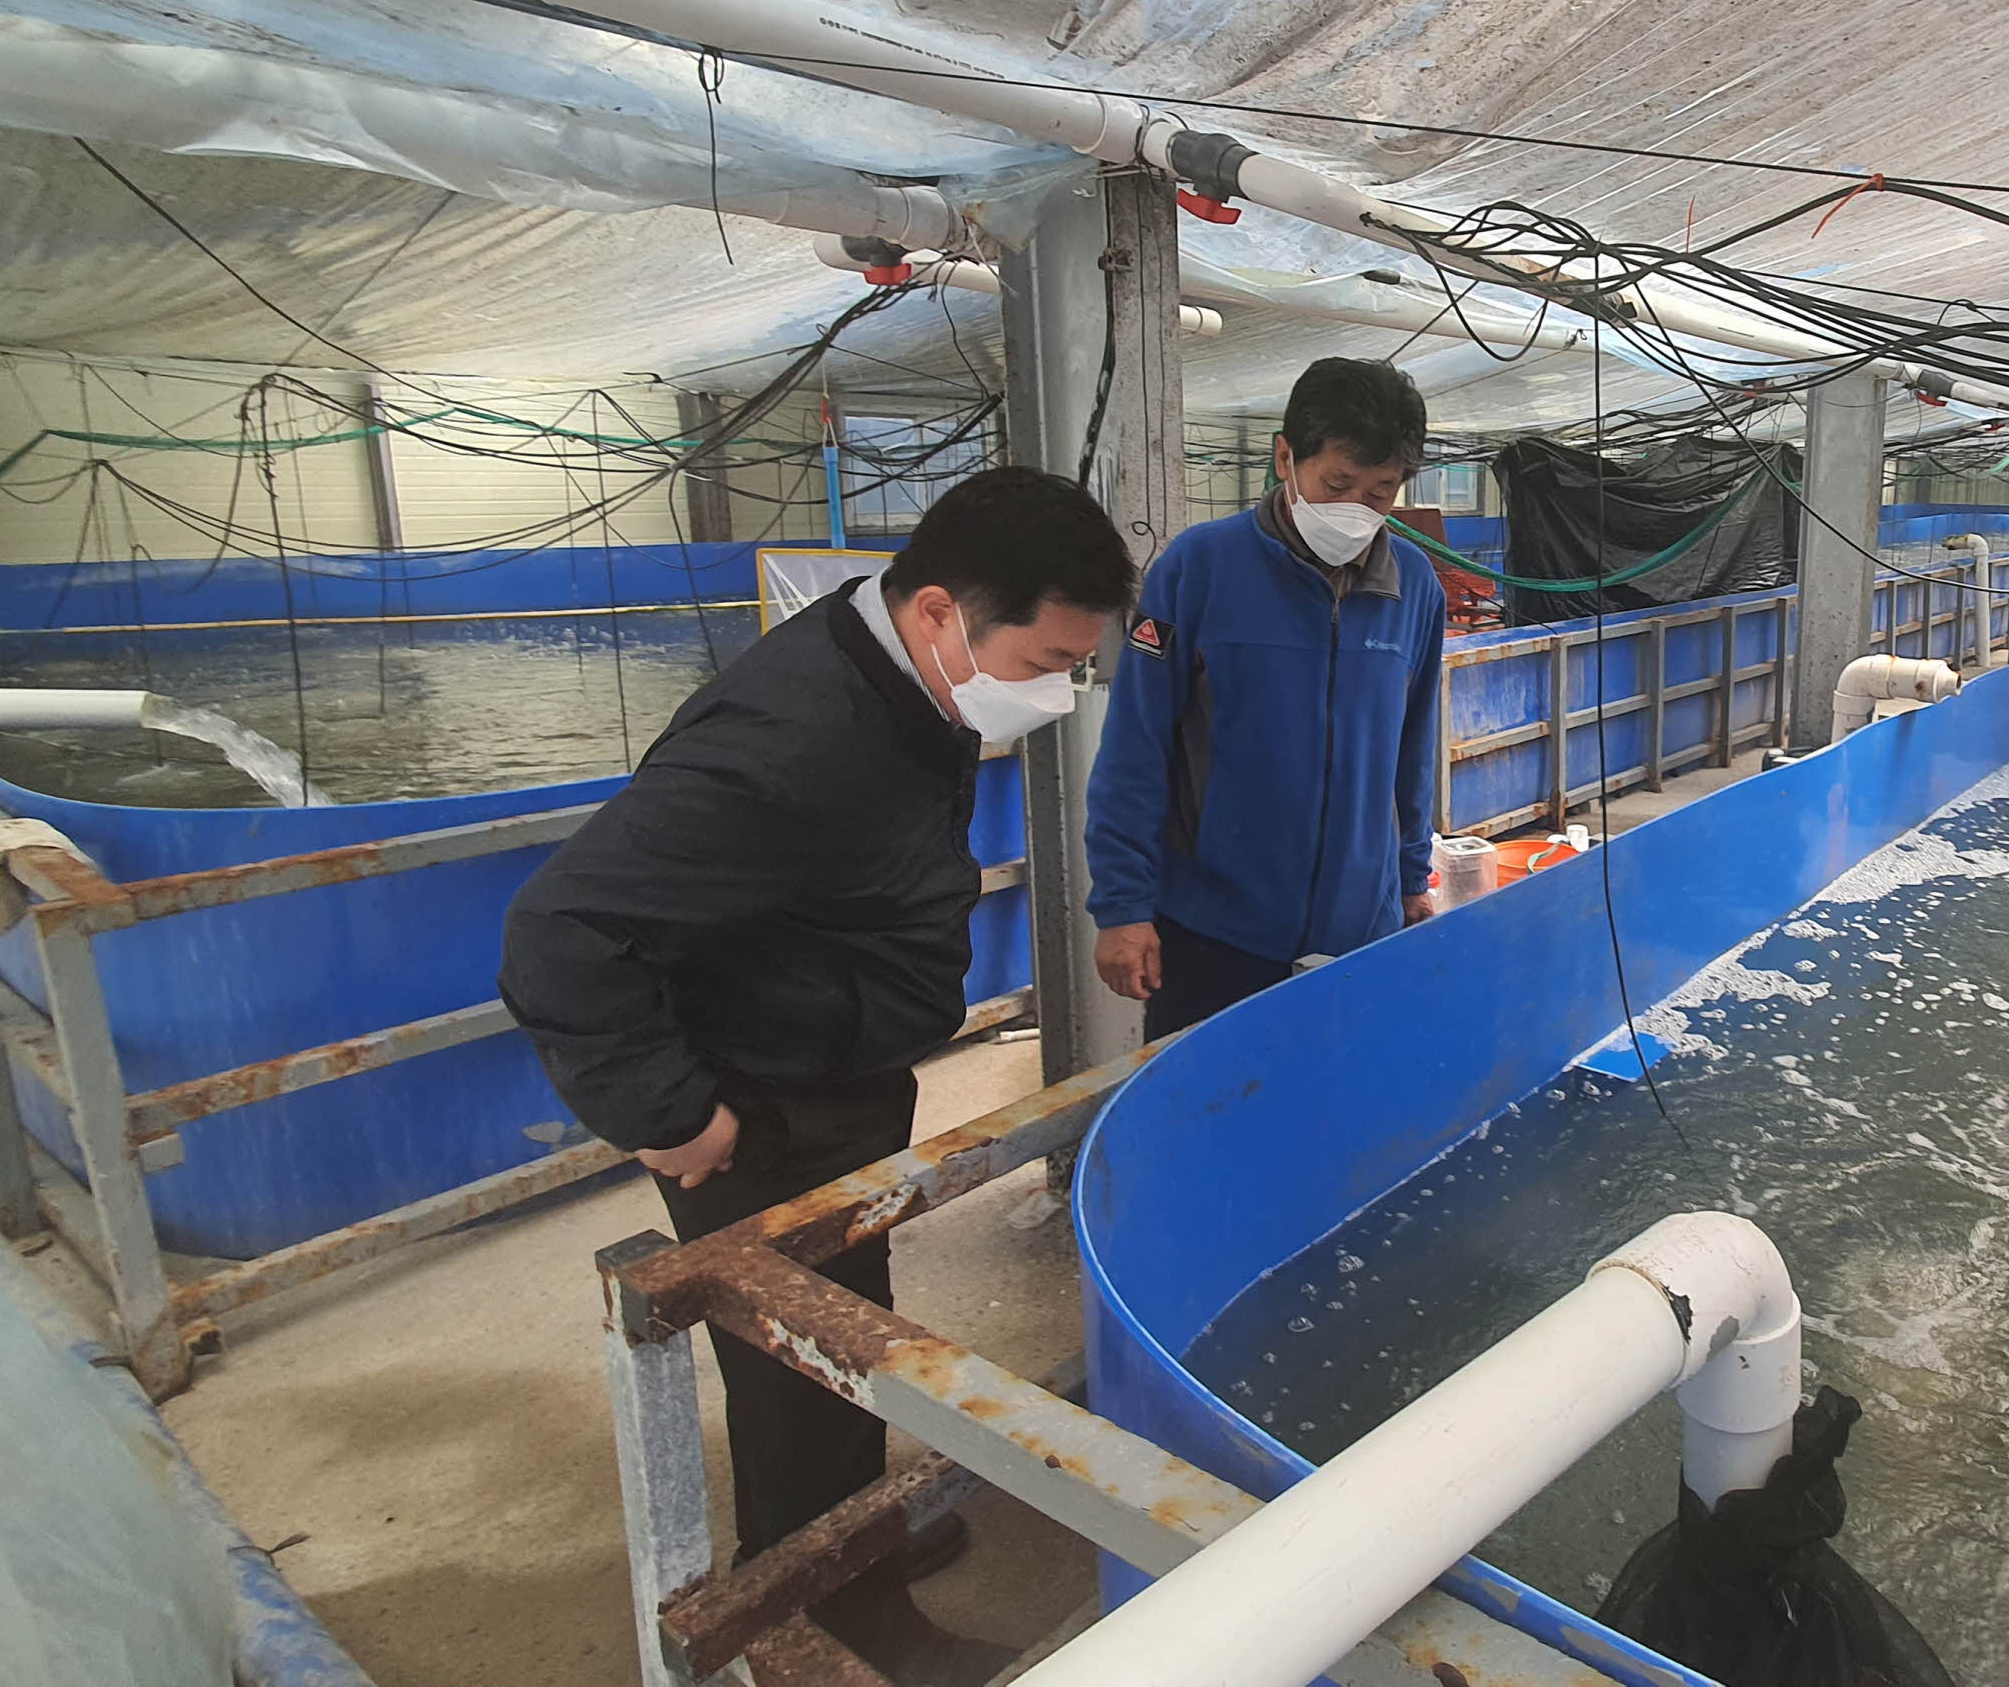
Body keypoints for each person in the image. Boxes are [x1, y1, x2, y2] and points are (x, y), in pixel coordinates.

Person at [500, 467, 1132, 1686]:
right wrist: (672, 1113)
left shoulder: (898, 679)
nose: (1056, 691)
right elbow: (558, 931)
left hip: (835, 1069)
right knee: (796, 1364)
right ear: (943, 611)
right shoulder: (791, 739)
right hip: (760, 1111)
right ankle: (828, 1621)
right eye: (1048, 659)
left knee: (849, 1330)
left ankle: (852, 1544)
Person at [1086, 357, 1446, 1036]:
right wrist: (1123, 905)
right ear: (1286, 457)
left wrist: (1411, 880)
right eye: (1337, 482)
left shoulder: (1415, 587)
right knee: (1204, 1123)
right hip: (1214, 934)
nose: (1355, 509)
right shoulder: (1196, 569)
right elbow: (1135, 746)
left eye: (1379, 492)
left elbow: (1413, 747)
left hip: (1359, 935)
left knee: (1341, 1123)